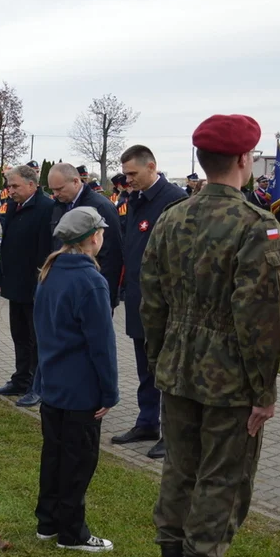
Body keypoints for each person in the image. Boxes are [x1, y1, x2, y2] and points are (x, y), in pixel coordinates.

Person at [142, 113, 280, 557]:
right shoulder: (255, 225)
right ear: (245, 159)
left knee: (180, 470)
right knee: (222, 479)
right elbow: (259, 318)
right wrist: (264, 392)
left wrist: (161, 359)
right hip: (229, 380)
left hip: (177, 369)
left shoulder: (171, 218)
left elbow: (150, 302)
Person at [32, 207, 118, 552]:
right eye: (100, 232)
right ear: (92, 238)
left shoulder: (50, 271)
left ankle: (48, 521)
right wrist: (109, 392)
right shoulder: (91, 280)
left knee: (54, 455)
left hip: (53, 382)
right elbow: (102, 345)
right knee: (78, 461)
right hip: (81, 388)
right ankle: (72, 533)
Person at [113, 145, 187, 459]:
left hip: (166, 304)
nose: (128, 180)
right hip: (139, 298)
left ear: (152, 166)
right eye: (126, 174)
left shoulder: (175, 200)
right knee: (145, 368)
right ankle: (147, 422)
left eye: (133, 173)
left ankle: (174, 435)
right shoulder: (134, 200)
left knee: (168, 371)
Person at [0, 165, 54, 407]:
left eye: (15, 185)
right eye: (9, 185)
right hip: (14, 284)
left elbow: (46, 251)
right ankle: (20, 379)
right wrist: (1, 277)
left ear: (31, 184)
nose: (10, 190)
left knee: (36, 339)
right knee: (19, 336)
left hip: (35, 286)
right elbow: (6, 246)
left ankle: (37, 386)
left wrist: (43, 286)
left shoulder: (46, 208)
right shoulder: (14, 206)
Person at [46, 163, 123, 309]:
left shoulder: (101, 207)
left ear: (76, 181)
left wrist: (106, 298)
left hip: (91, 291)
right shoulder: (58, 205)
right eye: (53, 190)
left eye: (59, 189)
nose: (55, 194)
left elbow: (112, 257)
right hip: (64, 290)